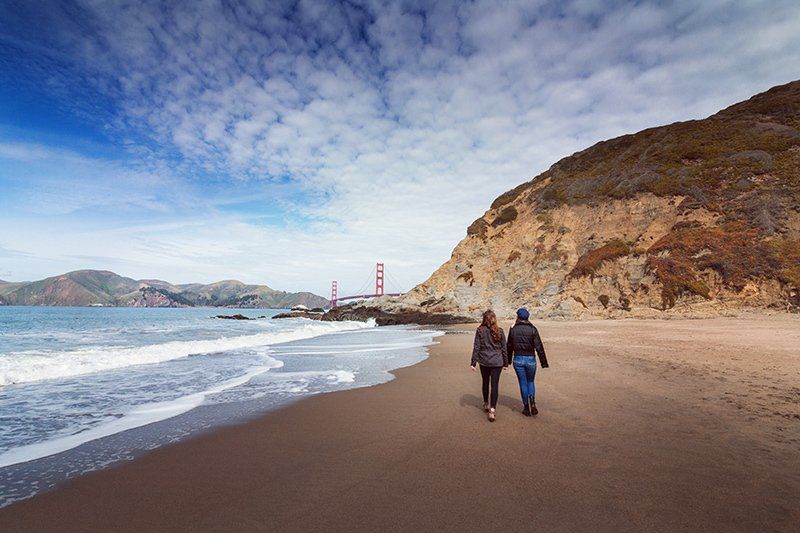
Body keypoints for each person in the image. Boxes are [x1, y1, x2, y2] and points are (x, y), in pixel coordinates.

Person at [507, 307, 548, 416]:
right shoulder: (533, 329)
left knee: (523, 383)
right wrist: (543, 362)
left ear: (518, 317)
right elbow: (539, 346)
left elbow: (509, 346)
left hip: (518, 359)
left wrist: (507, 361)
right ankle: (533, 403)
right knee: (530, 381)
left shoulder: (513, 329)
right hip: (531, 359)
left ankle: (526, 407)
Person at [470, 309, 507, 422]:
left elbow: (476, 347)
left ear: (484, 319)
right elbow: (504, 348)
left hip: (484, 361)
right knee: (494, 385)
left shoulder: (480, 330)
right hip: (497, 362)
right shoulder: (500, 331)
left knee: (485, 382)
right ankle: (492, 410)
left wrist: (473, 362)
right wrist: (505, 363)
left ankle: (486, 403)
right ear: (494, 319)